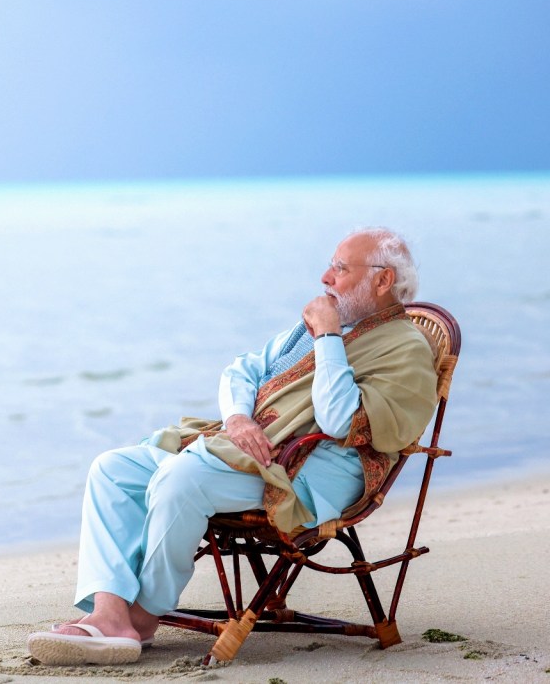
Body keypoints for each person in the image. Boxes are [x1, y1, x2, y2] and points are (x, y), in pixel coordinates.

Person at [26, 227, 439, 666]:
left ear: (382, 281)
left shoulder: (404, 348)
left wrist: (328, 338)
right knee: (112, 469)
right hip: (254, 453)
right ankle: (110, 614)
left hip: (310, 476)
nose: (325, 277)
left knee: (182, 476)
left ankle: (144, 615)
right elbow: (242, 370)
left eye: (340, 268)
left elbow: (341, 420)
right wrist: (240, 418)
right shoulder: (321, 328)